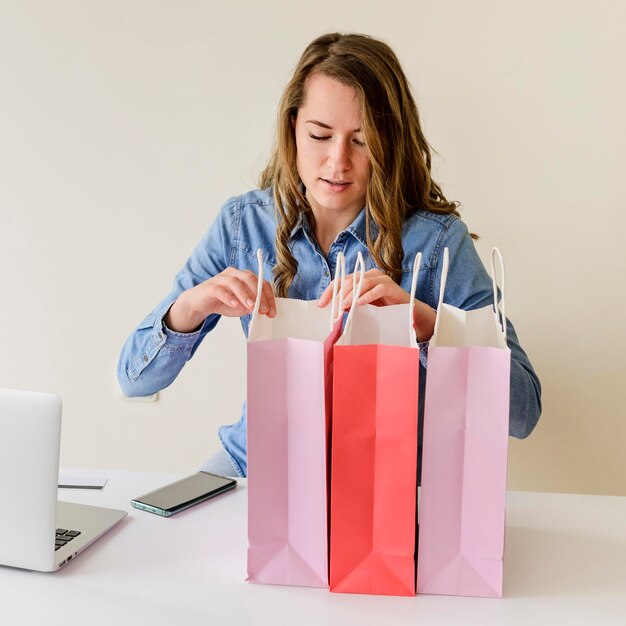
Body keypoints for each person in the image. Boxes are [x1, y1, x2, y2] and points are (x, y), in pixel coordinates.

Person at [117, 32, 541, 478]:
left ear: (389, 142)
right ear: (293, 128)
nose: (337, 162)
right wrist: (188, 308)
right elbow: (134, 380)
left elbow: (524, 413)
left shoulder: (436, 243)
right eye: (320, 135)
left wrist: (429, 326)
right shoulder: (244, 225)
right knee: (166, 534)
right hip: (256, 465)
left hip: (382, 490)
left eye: (361, 141)